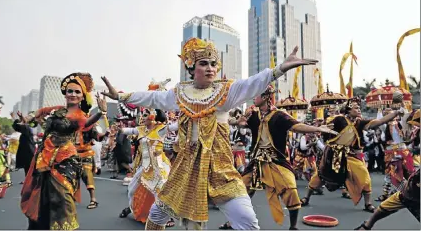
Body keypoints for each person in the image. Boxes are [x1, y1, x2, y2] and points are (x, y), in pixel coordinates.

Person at [101, 37, 317, 230]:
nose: (210, 68)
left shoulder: (225, 92)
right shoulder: (180, 93)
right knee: (157, 215)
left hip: (219, 167)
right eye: (204, 64)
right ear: (191, 67)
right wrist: (121, 96)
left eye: (213, 64)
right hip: (186, 168)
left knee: (247, 219)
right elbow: (153, 98)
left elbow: (252, 83)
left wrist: (279, 69)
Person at [220, 85, 337, 230]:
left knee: (290, 190)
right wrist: (238, 121)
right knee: (241, 191)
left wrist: (318, 129)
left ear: (265, 97)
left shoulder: (279, 115)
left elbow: (296, 126)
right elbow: (233, 121)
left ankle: (293, 226)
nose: (253, 98)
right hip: (257, 161)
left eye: (256, 95)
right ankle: (232, 221)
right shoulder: (254, 115)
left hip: (276, 160)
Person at [20, 72, 107, 230]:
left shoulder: (80, 115)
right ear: (65, 93)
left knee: (63, 195)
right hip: (44, 156)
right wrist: (29, 117)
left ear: (82, 96)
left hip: (65, 159)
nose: (73, 94)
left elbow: (87, 122)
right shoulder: (57, 110)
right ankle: (41, 225)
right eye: (70, 91)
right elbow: (41, 111)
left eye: (77, 92)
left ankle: (66, 227)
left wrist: (101, 112)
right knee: (41, 193)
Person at [300, 97, 406, 213]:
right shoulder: (339, 120)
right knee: (320, 175)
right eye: (356, 108)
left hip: (351, 156)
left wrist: (396, 112)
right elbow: (326, 130)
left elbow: (379, 122)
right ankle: (306, 197)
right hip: (335, 154)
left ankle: (368, 204)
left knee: (365, 178)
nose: (359, 109)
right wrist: (320, 128)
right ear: (348, 110)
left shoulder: (360, 123)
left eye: (359, 107)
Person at [119, 108, 175, 227]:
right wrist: (103, 117)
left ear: (153, 117)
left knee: (159, 192)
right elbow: (124, 130)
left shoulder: (161, 129)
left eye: (145, 115)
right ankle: (133, 209)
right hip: (145, 166)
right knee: (131, 189)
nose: (142, 117)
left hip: (159, 166)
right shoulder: (140, 130)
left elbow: (176, 126)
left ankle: (167, 217)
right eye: (143, 115)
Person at [354, 169, 419, 230]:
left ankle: (367, 225)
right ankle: (367, 225)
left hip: (412, 194)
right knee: (383, 207)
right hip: (407, 192)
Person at [375, 108, 415, 202]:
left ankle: (406, 192)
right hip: (392, 153)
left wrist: (402, 107)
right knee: (391, 173)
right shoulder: (385, 126)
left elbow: (405, 115)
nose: (387, 115)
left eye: (389, 113)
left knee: (409, 172)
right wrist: (380, 109)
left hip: (403, 152)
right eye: (386, 114)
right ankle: (388, 193)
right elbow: (379, 120)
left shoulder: (400, 123)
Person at [76, 115, 110, 209]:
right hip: (72, 155)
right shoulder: (70, 125)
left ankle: (93, 199)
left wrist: (106, 133)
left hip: (86, 154)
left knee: (87, 175)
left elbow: (99, 137)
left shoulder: (90, 126)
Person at [11, 111, 37, 181]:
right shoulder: (25, 129)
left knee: (29, 168)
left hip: (29, 151)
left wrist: (20, 116)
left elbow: (24, 123)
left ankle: (30, 181)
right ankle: (28, 181)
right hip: (27, 151)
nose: (26, 117)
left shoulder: (28, 128)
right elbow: (17, 126)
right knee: (27, 168)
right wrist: (14, 117)